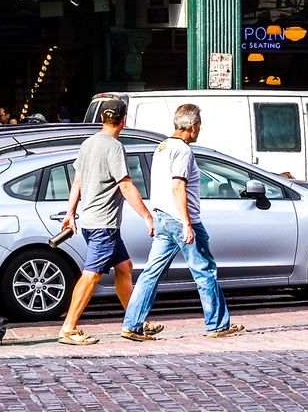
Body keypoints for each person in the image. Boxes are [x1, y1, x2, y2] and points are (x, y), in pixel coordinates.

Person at [122, 104, 243, 342]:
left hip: (163, 218)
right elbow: (178, 185)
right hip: (181, 219)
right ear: (193, 125)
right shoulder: (183, 151)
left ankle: (132, 324)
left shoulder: (162, 147)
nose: (199, 130)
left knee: (151, 273)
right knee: (204, 271)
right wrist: (187, 223)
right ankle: (217, 324)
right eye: (199, 125)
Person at [54, 98, 158, 346]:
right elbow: (125, 184)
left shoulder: (88, 143)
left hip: (91, 220)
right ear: (124, 120)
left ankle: (134, 321)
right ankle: (68, 328)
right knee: (91, 275)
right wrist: (147, 216)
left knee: (124, 267)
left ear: (102, 118)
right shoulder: (114, 147)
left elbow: (77, 181)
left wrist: (70, 212)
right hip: (104, 223)